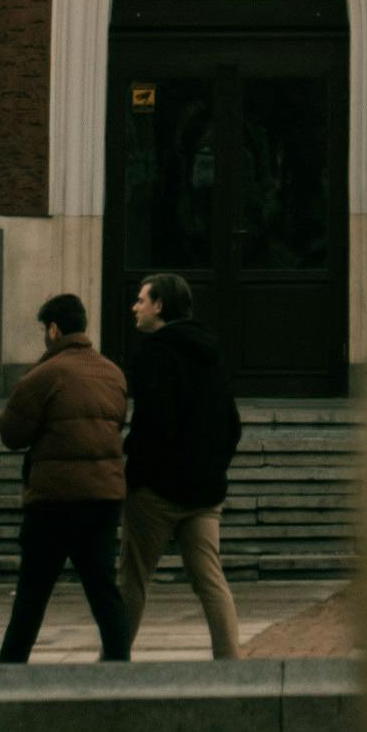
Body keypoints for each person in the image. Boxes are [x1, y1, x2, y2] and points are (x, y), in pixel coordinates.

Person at [0, 290, 135, 666]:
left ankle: (8, 671)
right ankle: (120, 666)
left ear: (54, 329)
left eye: (45, 329)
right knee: (103, 590)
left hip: (54, 500)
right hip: (103, 496)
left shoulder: (45, 374)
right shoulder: (112, 372)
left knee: (32, 594)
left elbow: (11, 434)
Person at [119, 274, 246, 664]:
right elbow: (231, 422)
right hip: (205, 490)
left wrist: (136, 470)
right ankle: (230, 662)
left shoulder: (153, 354)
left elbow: (153, 422)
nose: (135, 307)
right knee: (210, 579)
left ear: (159, 306)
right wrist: (212, 468)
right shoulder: (211, 351)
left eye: (141, 300)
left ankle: (114, 661)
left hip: (156, 490)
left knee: (134, 580)